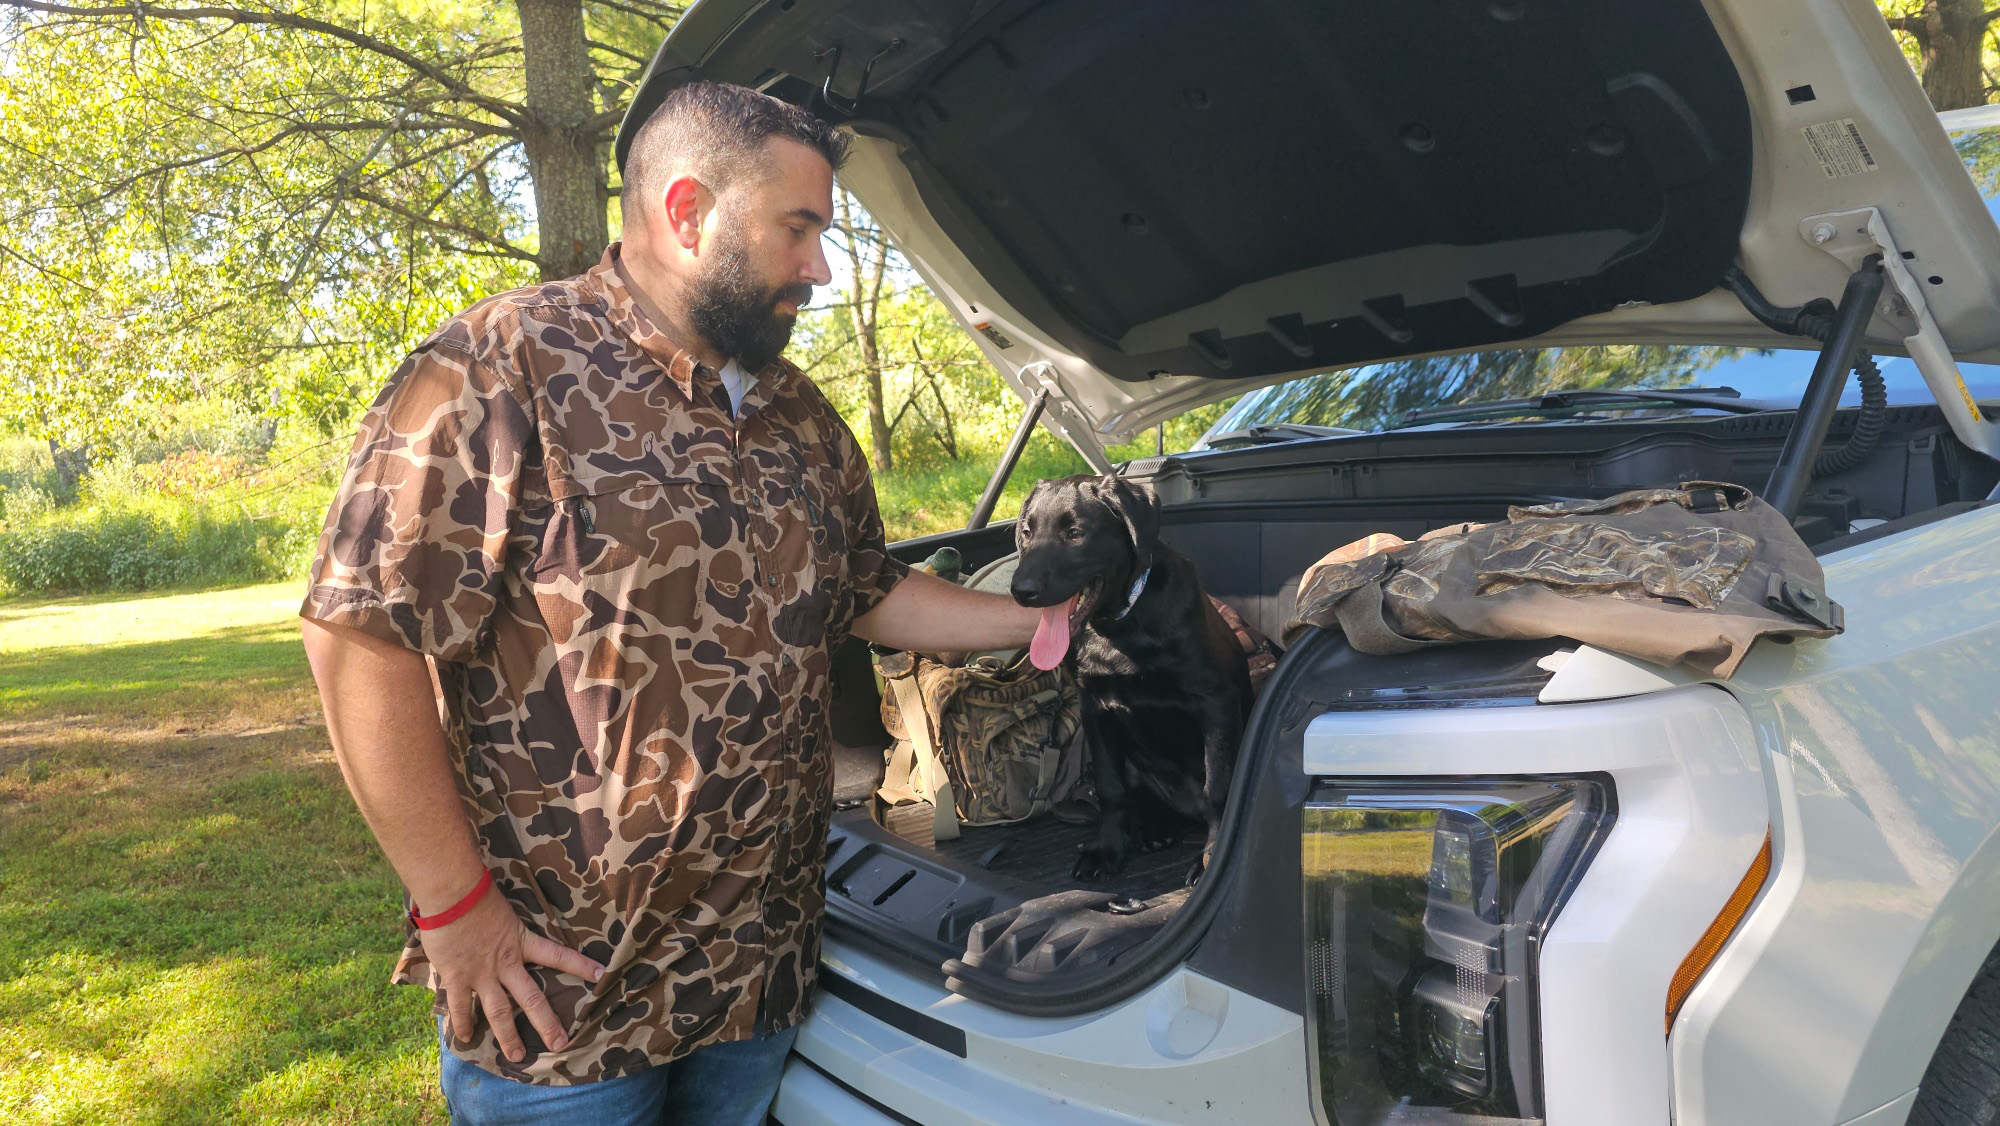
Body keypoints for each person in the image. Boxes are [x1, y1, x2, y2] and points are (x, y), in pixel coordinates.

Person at [298, 81, 1042, 1125]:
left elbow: (867, 594)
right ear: (686, 211)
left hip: (757, 977)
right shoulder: (499, 366)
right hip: (563, 1003)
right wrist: (455, 910)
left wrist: (1040, 624)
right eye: (800, 228)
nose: (821, 267)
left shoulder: (799, 415)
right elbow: (358, 636)